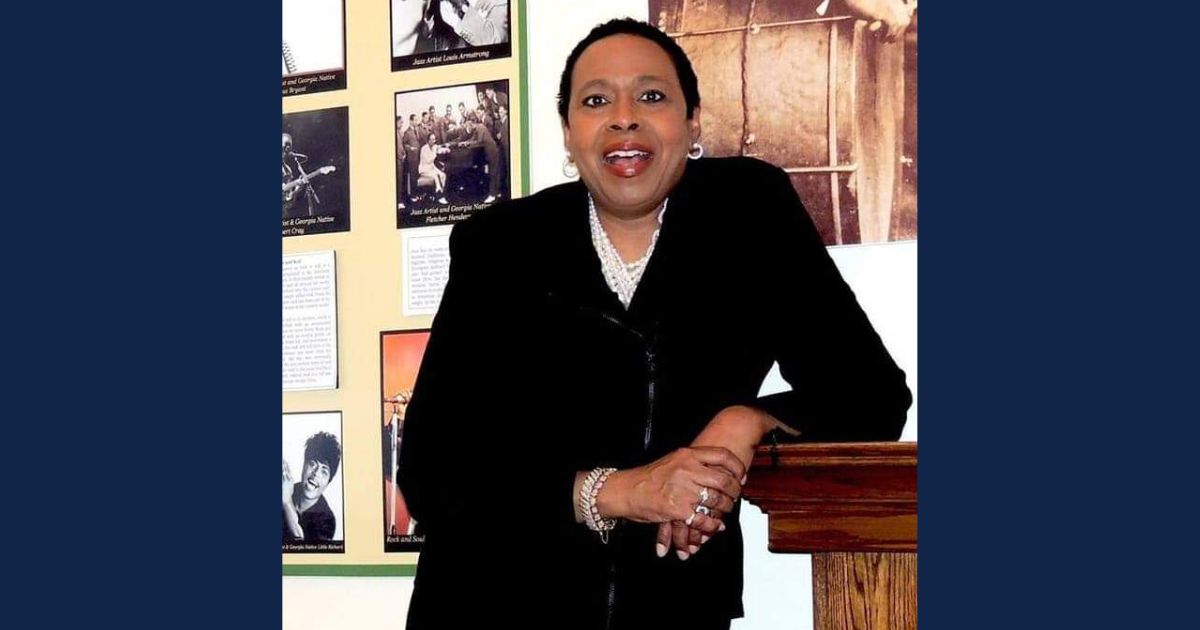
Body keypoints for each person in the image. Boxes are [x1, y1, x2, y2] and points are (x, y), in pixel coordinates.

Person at [397, 18, 910, 630]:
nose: (623, 117)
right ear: (569, 133)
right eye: (595, 101)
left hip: (672, 607)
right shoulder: (499, 246)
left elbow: (872, 396)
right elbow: (432, 471)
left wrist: (746, 423)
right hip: (494, 601)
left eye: (651, 95)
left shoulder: (750, 214)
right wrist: (619, 491)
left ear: (692, 122)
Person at [282, 431, 342, 543]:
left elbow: (304, 548)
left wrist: (286, 503)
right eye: (312, 464)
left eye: (324, 471)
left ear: (329, 481)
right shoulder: (286, 488)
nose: (316, 474)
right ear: (304, 465)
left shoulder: (327, 520)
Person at [457, 118, 500, 204]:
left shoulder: (480, 127)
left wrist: (468, 144)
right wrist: (465, 142)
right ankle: (496, 192)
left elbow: (479, 141)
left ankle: (492, 195)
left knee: (493, 173)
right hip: (489, 152)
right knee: (494, 172)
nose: (467, 127)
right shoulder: (477, 129)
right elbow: (473, 139)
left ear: (472, 123)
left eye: (468, 125)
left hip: (492, 151)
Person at [418, 133, 449, 205]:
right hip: (424, 168)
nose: (433, 141)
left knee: (443, 175)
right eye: (432, 139)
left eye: (434, 139)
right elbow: (428, 161)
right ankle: (439, 196)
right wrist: (435, 153)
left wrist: (445, 149)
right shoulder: (424, 148)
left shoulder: (434, 146)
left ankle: (442, 191)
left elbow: (439, 147)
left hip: (431, 167)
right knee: (436, 176)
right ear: (428, 140)